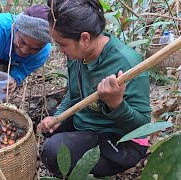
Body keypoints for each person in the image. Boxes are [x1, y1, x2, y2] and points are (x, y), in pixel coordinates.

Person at [37, 0, 151, 178]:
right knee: (48, 125)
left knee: (53, 151)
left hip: (121, 140)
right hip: (88, 122)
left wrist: (116, 104)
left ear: (84, 38)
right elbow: (73, 94)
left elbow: (142, 127)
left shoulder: (127, 63)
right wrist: (59, 115)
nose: (59, 50)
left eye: (62, 44)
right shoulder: (77, 55)